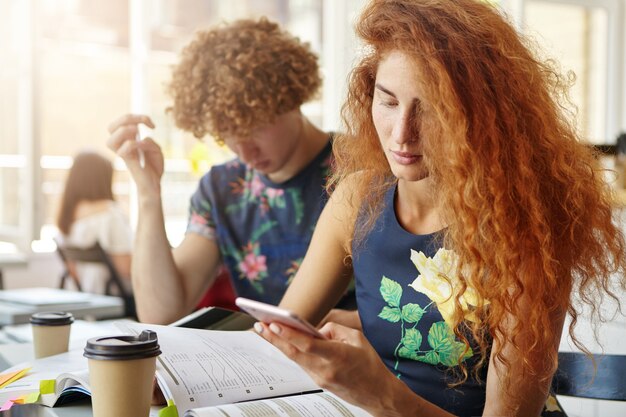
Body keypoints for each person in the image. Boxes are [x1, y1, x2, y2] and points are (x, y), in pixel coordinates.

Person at [253, 1, 626, 416]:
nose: (402, 135)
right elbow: (277, 341)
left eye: (430, 109)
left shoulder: (523, 234)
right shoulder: (358, 198)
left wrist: (381, 394)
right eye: (388, 101)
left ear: (484, 116)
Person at [107, 17, 354, 325]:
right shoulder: (224, 189)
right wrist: (147, 193)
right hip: (265, 364)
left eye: (255, 128)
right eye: (227, 136)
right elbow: (161, 313)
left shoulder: (364, 168)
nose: (245, 153)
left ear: (290, 96)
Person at [56, 151, 133, 295]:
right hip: (116, 299)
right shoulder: (110, 215)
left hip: (84, 297)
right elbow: (127, 269)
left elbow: (72, 273)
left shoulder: (67, 217)